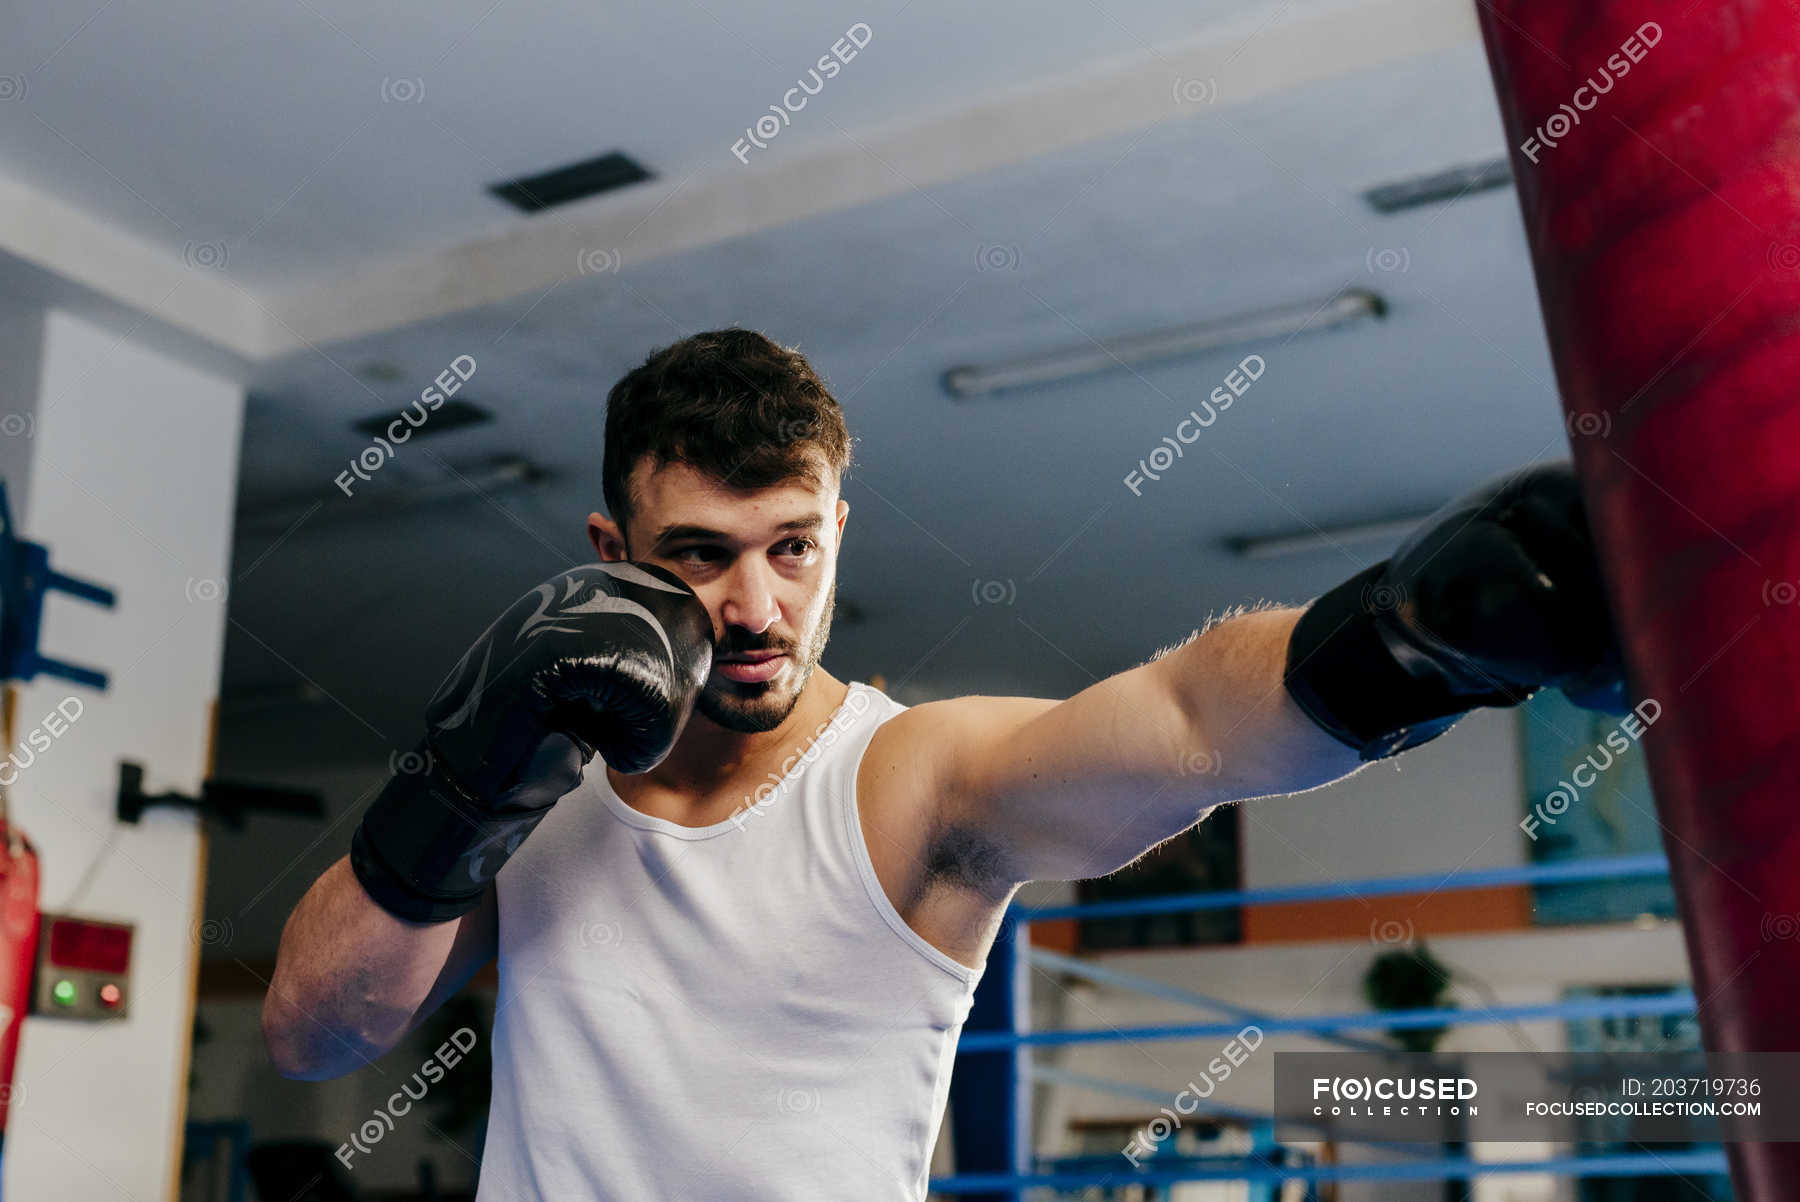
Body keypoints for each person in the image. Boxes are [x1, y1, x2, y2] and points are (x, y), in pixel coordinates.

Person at [262, 327, 1627, 1199]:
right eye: (700, 554)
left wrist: (1403, 641)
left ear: (840, 530)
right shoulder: (533, 789)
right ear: (611, 552)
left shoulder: (911, 778)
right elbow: (317, 1028)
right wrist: (468, 767)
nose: (754, 607)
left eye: (792, 546)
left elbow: (1191, 717)